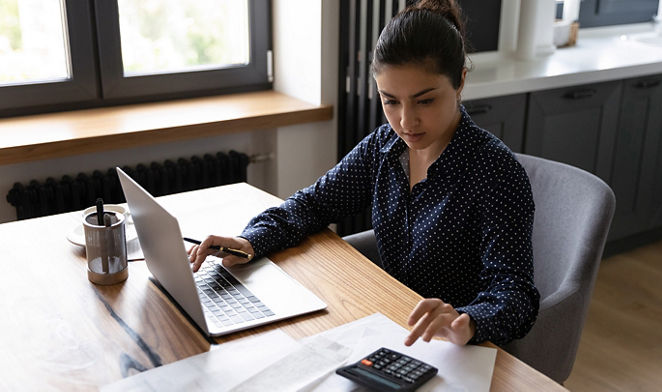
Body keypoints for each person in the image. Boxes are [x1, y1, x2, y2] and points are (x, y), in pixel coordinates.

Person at [189, 0, 539, 347]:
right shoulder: (385, 147)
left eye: (425, 101)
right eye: (390, 100)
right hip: (389, 325)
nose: (406, 121)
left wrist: (467, 320)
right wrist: (252, 240)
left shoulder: (495, 172)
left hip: (460, 350)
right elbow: (313, 204)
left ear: (460, 81)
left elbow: (515, 293)